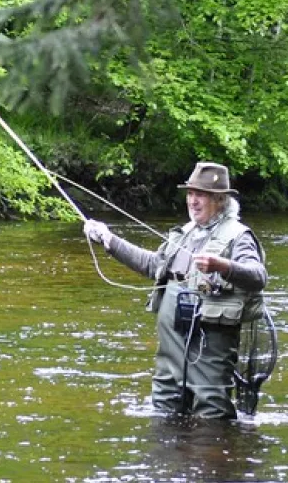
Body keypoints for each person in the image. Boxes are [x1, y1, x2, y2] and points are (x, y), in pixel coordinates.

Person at [83, 161, 268, 420]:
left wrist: (222, 266)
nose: (192, 201)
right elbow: (152, 265)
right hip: (171, 343)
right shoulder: (185, 233)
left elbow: (258, 276)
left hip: (209, 343)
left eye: (200, 195)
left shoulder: (239, 236)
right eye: (190, 194)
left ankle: (219, 447)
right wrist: (109, 240)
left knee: (211, 411)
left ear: (220, 200)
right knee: (164, 407)